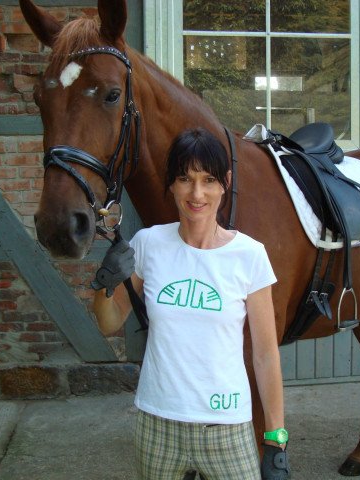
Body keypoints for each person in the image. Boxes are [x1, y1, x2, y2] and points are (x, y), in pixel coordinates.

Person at [92, 128, 290, 480]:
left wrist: (275, 437)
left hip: (226, 426)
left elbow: (264, 353)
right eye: (185, 179)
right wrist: (103, 285)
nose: (196, 193)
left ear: (225, 183)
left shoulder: (249, 255)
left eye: (208, 180)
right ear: (171, 184)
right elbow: (109, 323)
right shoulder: (148, 244)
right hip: (158, 424)